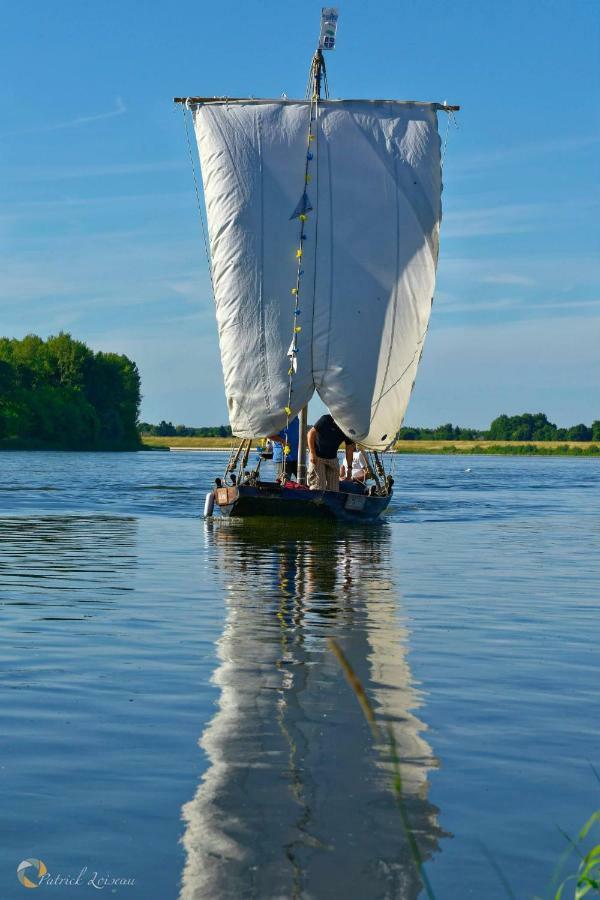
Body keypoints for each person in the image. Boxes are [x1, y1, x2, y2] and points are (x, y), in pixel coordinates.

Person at [307, 414, 355, 492]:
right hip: (318, 457)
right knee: (319, 487)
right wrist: (312, 453)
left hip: (332, 458)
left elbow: (349, 448)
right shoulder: (326, 419)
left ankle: (330, 503)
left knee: (334, 490)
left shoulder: (348, 427)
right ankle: (316, 501)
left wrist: (349, 468)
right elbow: (310, 433)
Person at [269, 416, 300, 481]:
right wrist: (283, 441)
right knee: (284, 483)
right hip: (283, 458)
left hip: (297, 458)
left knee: (304, 483)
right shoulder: (279, 416)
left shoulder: (296, 418)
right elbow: (269, 434)